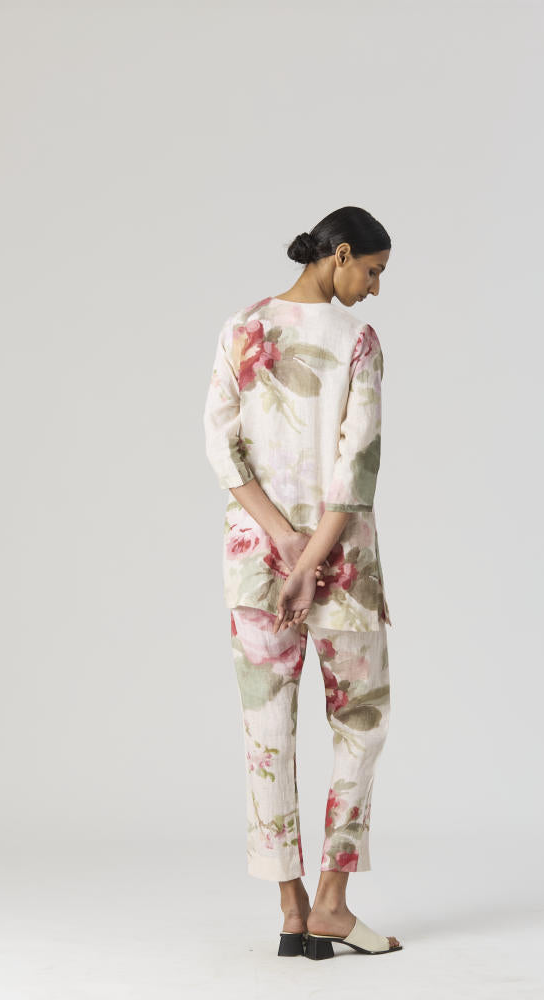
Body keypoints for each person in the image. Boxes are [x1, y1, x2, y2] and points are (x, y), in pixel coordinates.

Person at [203, 206, 402, 959]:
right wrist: (314, 556)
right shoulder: (358, 341)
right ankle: (330, 906)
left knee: (266, 731)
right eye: (372, 272)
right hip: (342, 567)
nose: (374, 289)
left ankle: (291, 914)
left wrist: (284, 544)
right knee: (360, 725)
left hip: (259, 563)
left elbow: (220, 448)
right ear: (340, 254)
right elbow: (356, 469)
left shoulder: (242, 328)